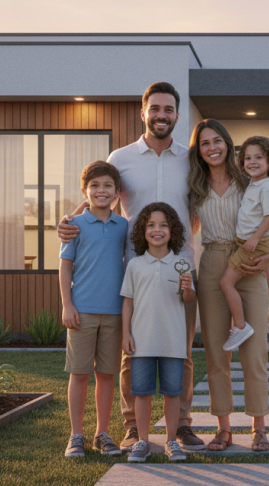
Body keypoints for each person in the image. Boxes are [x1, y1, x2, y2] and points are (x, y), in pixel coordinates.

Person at [58, 81, 205, 453]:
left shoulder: (191, 160)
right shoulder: (121, 157)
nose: (161, 115)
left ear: (176, 115)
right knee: (131, 349)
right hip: (134, 269)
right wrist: (70, 221)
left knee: (182, 348)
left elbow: (202, 206)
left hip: (180, 266)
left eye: (168, 109)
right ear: (143, 113)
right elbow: (99, 195)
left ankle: (182, 425)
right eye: (155, 108)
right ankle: (128, 426)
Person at [187, 119, 269, 452]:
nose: (212, 148)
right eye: (205, 143)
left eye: (217, 141)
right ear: (199, 150)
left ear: (228, 144)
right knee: (217, 353)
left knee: (254, 352)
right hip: (211, 264)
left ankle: (259, 427)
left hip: (248, 264)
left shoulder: (248, 180)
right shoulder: (193, 186)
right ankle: (223, 428)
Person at [58, 161, 126, 458]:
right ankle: (76, 435)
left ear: (117, 192)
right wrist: (67, 305)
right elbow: (65, 266)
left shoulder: (123, 226)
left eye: (107, 185)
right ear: (84, 191)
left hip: (114, 313)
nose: (101, 190)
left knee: (107, 375)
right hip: (81, 311)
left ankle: (102, 433)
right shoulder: (74, 225)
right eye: (95, 185)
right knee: (80, 373)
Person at [121, 202, 196, 462]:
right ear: (142, 230)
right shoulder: (135, 265)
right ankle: (142, 441)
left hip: (172, 341)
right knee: (141, 392)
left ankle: (171, 441)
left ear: (172, 231)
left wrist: (188, 288)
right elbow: (127, 302)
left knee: (172, 392)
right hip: (141, 340)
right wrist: (126, 334)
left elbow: (187, 300)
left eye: (163, 225)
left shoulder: (182, 264)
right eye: (151, 225)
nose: (157, 230)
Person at [218, 136, 269, 351]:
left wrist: (255, 238)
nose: (252, 161)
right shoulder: (255, 185)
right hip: (252, 242)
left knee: (226, 283)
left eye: (259, 157)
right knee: (266, 273)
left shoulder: (266, 188)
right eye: (247, 158)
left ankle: (240, 326)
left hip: (252, 244)